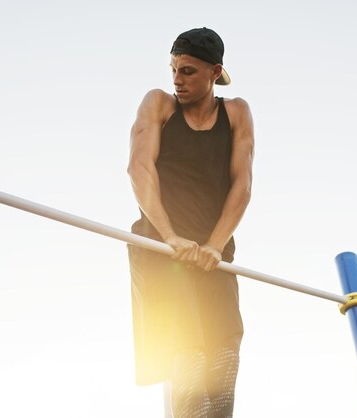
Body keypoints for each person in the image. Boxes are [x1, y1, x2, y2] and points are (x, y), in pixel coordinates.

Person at [127, 27, 254, 418]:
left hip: (215, 249)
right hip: (162, 242)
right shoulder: (160, 104)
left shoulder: (236, 112)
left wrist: (215, 245)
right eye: (174, 70)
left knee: (224, 356)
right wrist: (170, 237)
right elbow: (139, 168)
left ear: (215, 72)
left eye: (187, 72)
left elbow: (242, 185)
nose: (177, 80)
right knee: (189, 354)